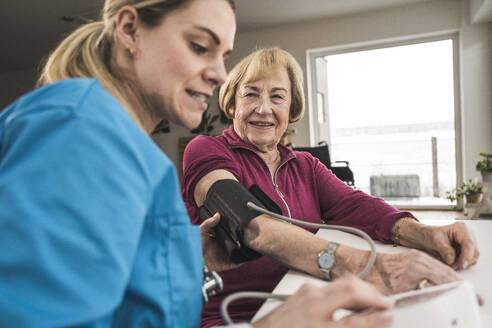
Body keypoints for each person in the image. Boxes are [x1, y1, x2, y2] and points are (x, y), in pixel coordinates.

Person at [0, 1, 396, 328]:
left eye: (223, 55)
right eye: (199, 46)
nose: (220, 74)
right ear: (129, 29)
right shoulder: (76, 132)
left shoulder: (129, 149)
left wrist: (191, 254)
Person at [180, 47, 480, 327]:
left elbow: (356, 205)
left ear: (291, 107)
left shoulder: (305, 165)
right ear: (232, 103)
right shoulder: (205, 149)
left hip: (310, 299)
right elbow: (246, 221)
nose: (263, 108)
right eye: (251, 94)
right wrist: (372, 267)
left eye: (277, 96)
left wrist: (426, 235)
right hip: (234, 316)